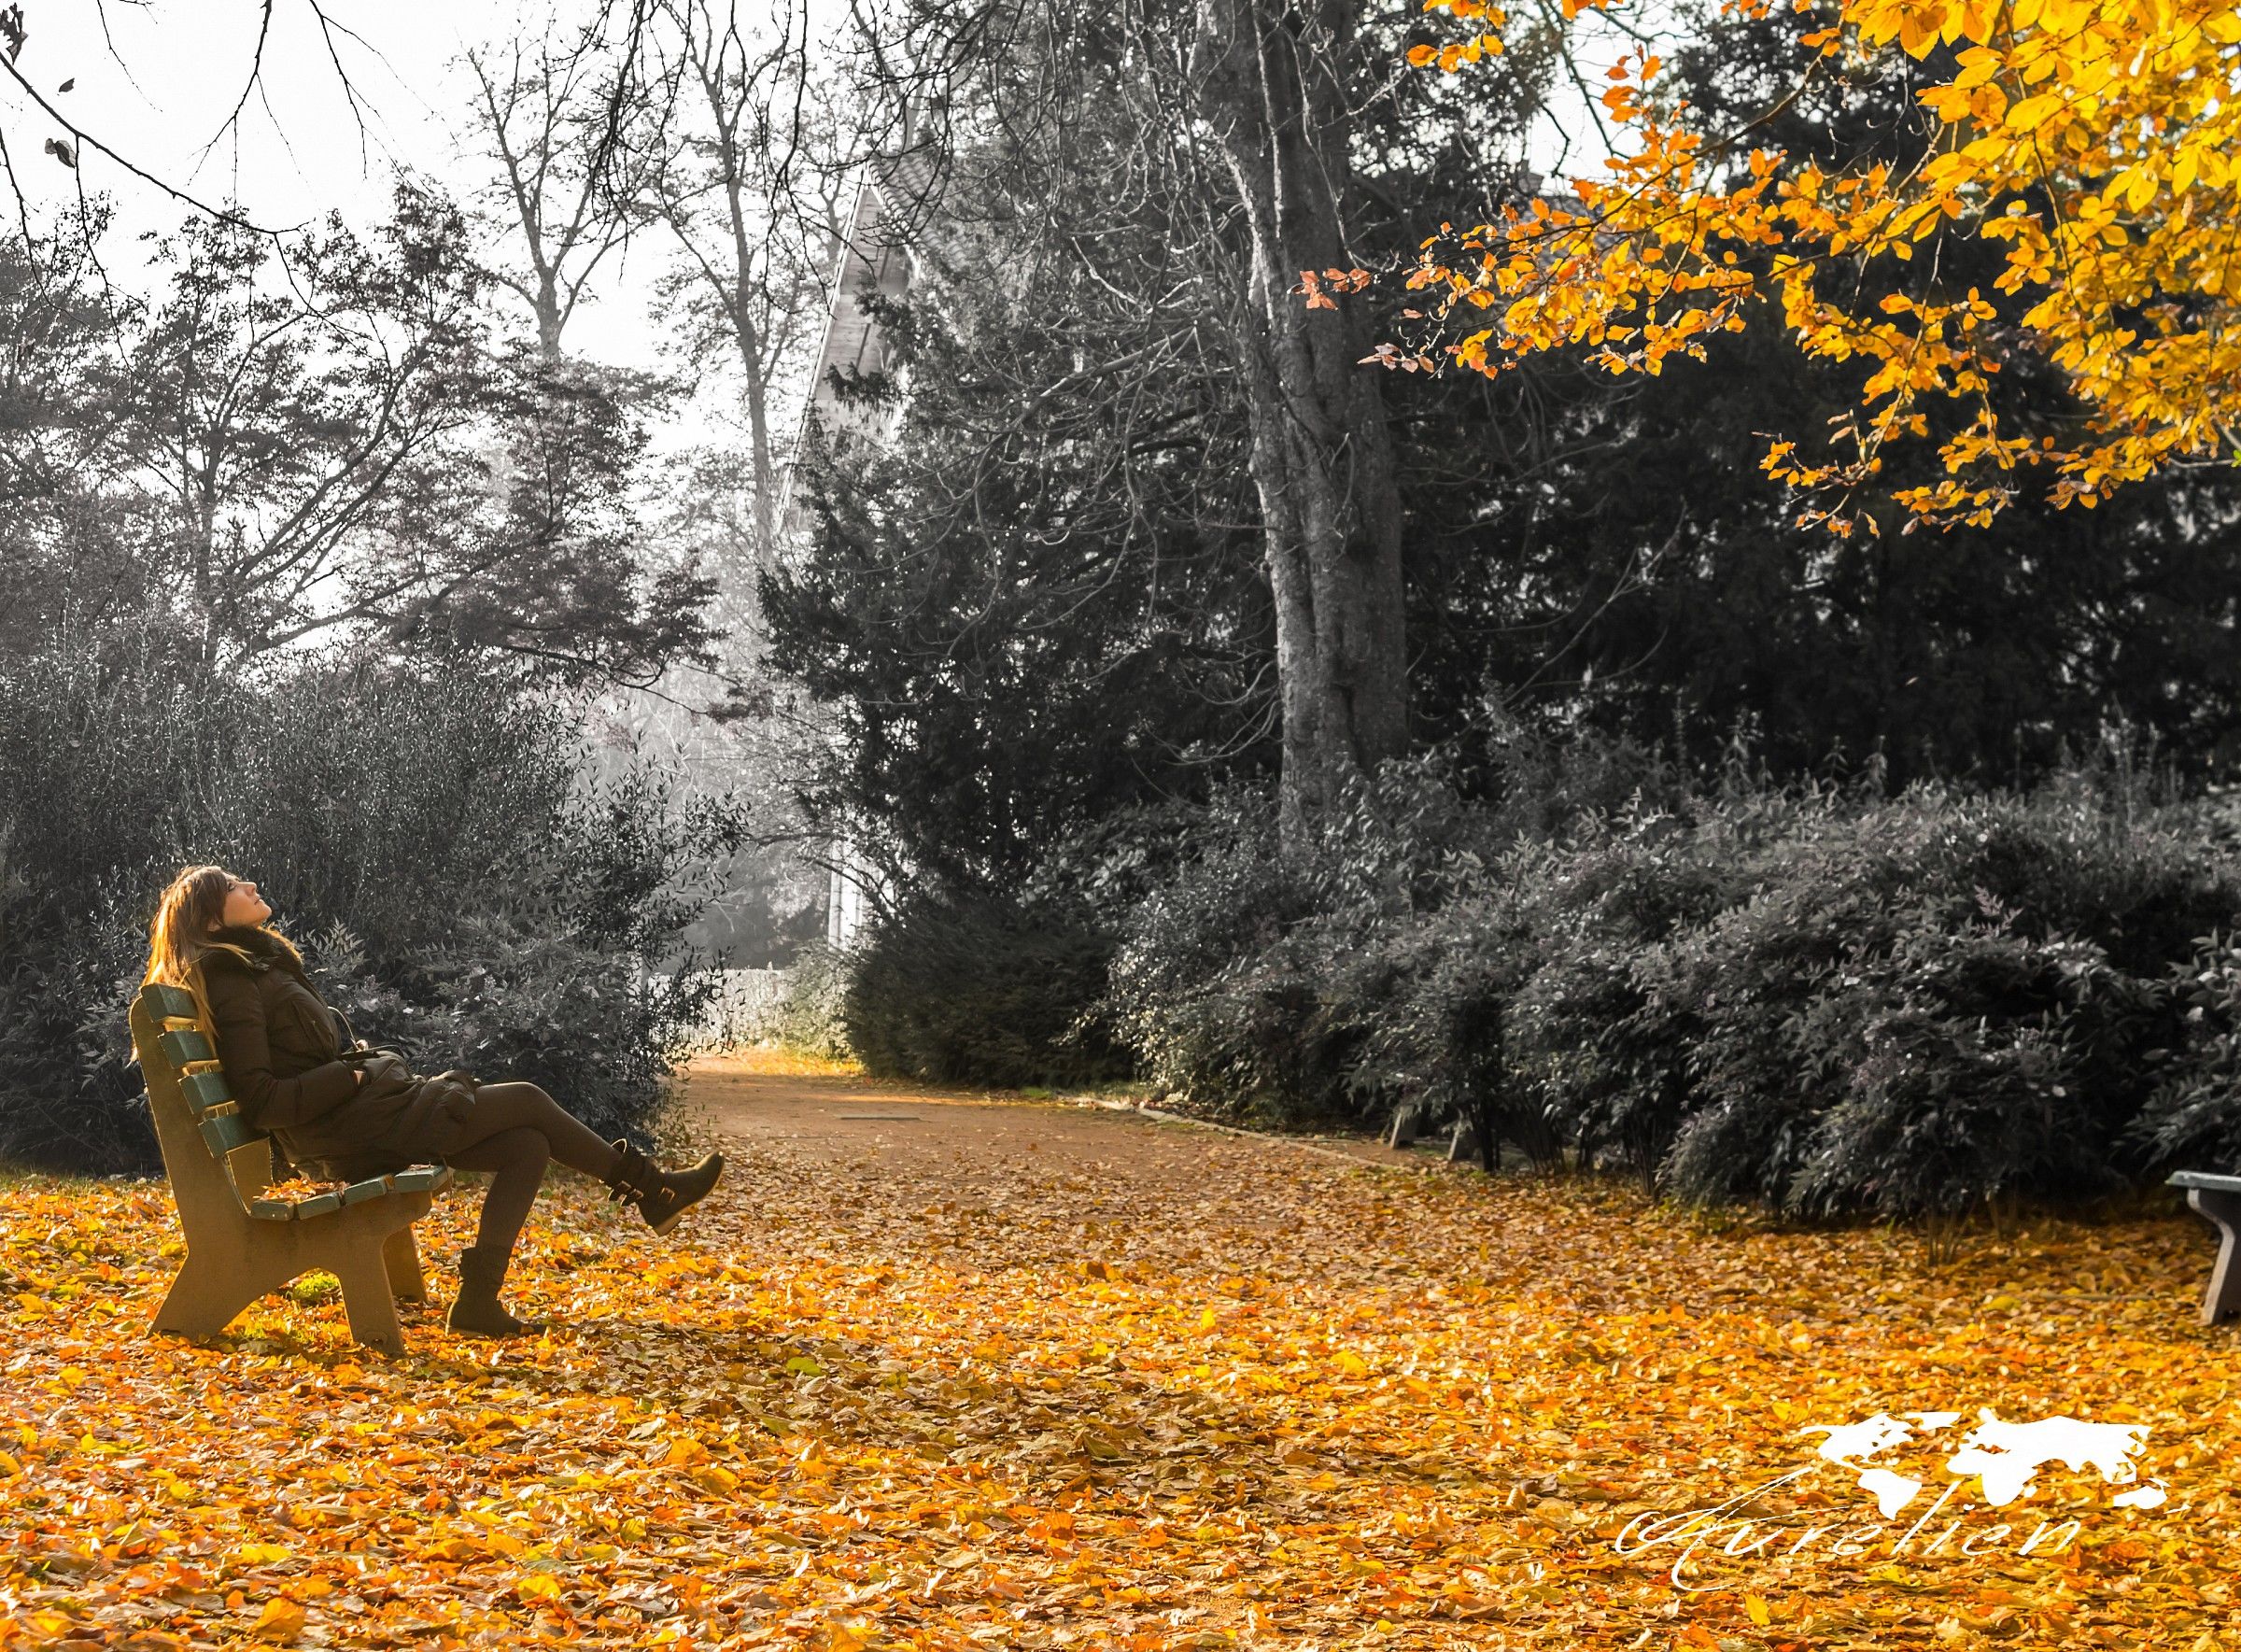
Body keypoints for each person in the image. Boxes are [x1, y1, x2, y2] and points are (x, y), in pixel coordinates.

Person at [138, 864, 725, 1337]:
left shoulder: (256, 969)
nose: (252, 886)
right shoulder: (235, 981)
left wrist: (357, 1072)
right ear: (213, 920)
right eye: (236, 888)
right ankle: (652, 1190)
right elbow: (265, 1103)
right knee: (526, 1096)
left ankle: (477, 1304)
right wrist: (356, 1079)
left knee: (526, 1144)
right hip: (346, 1127)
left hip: (357, 1116)